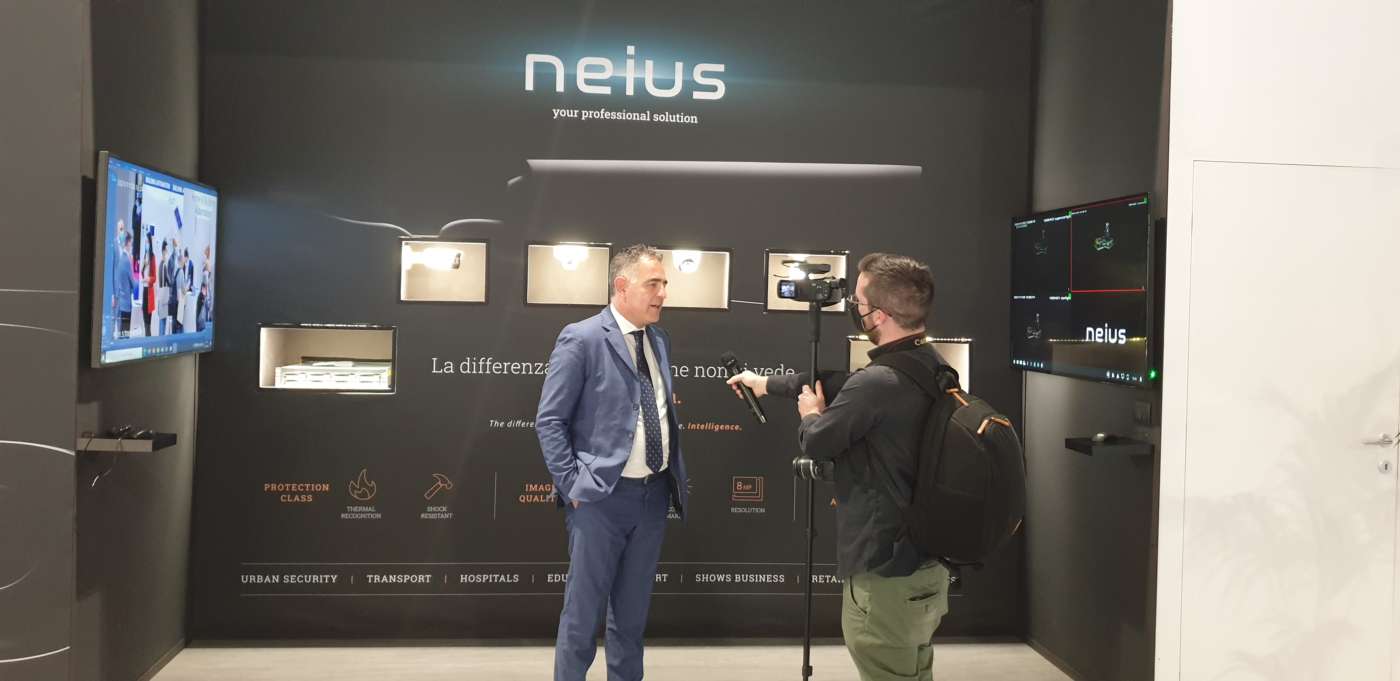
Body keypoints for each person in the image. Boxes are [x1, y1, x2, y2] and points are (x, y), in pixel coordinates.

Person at [727, 252, 948, 681]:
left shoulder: (877, 383)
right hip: (925, 565)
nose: (852, 307)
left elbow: (817, 441)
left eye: (857, 301)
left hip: (884, 574)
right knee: (913, 670)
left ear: (878, 316)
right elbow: (839, 384)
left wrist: (811, 414)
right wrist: (764, 383)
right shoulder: (931, 365)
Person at [536, 244, 689, 681]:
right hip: (600, 499)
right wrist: (573, 485)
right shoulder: (581, 338)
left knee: (631, 619)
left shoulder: (659, 340)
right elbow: (550, 420)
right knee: (582, 617)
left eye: (664, 284)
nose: (662, 293)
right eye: (653, 284)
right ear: (622, 286)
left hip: (653, 497)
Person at [110, 226, 137, 339]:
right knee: (125, 336)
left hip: (121, 303)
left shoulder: (121, 259)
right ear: (128, 243)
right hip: (126, 304)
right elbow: (133, 283)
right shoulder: (126, 260)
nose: (132, 246)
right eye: (131, 243)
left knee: (122, 333)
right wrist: (139, 282)